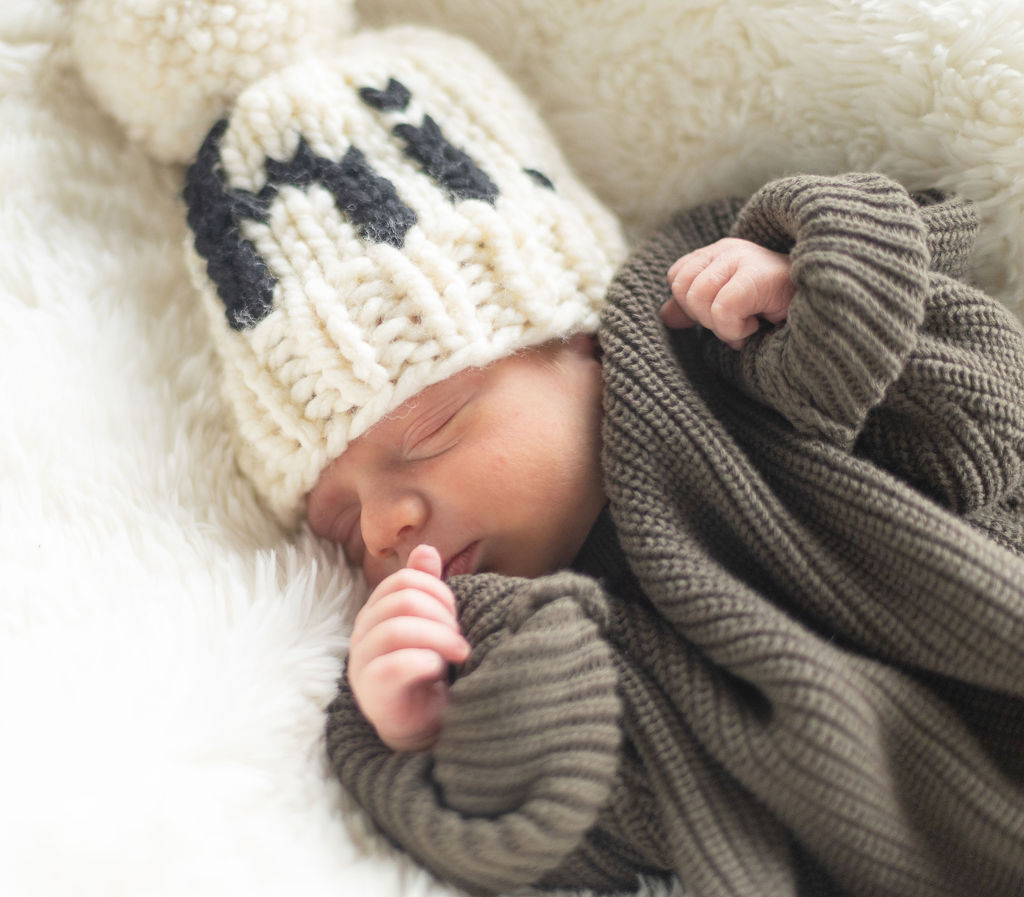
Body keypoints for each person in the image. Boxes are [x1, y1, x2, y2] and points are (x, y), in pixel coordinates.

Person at [168, 23, 1024, 897]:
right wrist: (436, 725)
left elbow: (986, 432)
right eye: (343, 525)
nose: (384, 523)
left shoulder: (737, 367)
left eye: (432, 431)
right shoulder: (536, 645)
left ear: (584, 345)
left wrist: (825, 298)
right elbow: (605, 841)